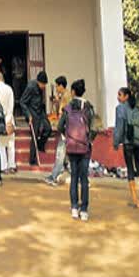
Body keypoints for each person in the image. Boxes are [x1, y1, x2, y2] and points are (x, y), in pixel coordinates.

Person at [58, 79, 95, 221]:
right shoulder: (88, 107)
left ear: (73, 91)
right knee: (83, 178)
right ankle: (84, 209)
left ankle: (74, 207)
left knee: (73, 177)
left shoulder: (67, 108)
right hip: (85, 148)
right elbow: (94, 127)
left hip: (72, 146)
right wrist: (89, 139)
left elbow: (61, 126)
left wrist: (67, 136)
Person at [113, 87, 139, 208]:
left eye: (120, 95)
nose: (118, 97)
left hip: (127, 141)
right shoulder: (135, 107)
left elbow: (119, 128)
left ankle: (135, 200)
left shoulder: (120, 109)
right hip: (138, 140)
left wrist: (116, 142)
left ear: (126, 96)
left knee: (130, 169)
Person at [44, 76, 71, 186]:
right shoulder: (66, 95)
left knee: (60, 153)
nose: (56, 88)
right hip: (69, 128)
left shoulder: (65, 97)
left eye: (56, 86)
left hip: (65, 128)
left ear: (61, 86)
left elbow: (62, 113)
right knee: (65, 154)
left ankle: (54, 176)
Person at [20, 71, 51, 165]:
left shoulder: (40, 88)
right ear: (38, 81)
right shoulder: (30, 87)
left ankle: (40, 145)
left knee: (48, 129)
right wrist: (28, 115)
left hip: (40, 111)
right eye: (43, 84)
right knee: (35, 134)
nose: (44, 86)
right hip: (32, 113)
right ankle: (32, 159)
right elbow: (22, 102)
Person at [0, 72, 16, 174]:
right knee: (11, 144)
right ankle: (12, 165)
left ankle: (3, 166)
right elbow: (11, 106)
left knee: (1, 145)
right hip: (9, 118)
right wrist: (9, 119)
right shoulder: (9, 89)